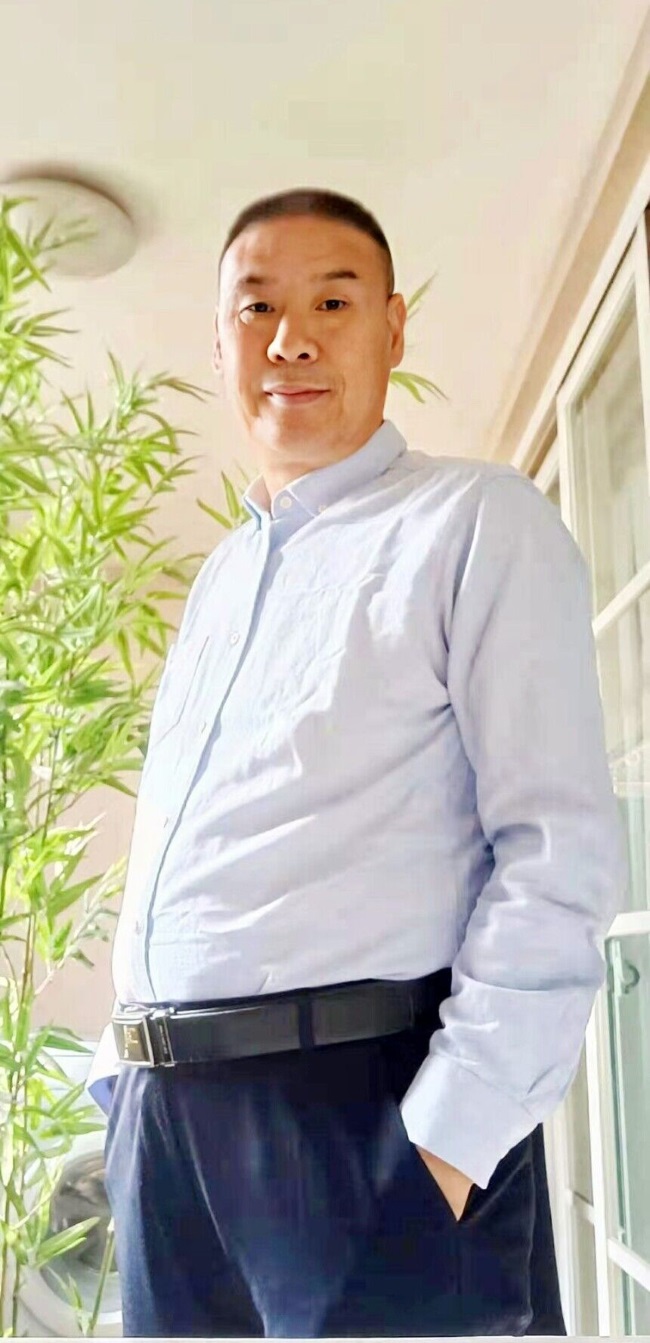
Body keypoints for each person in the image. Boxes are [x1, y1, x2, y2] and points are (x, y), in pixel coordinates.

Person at [88, 187, 626, 1338]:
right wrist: (120, 1087)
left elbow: (556, 850)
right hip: (165, 1135)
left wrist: (447, 1143)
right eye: (257, 306)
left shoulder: (472, 520)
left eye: (331, 301)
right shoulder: (219, 581)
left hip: (359, 1116)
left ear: (392, 328)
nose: (291, 336)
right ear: (221, 344)